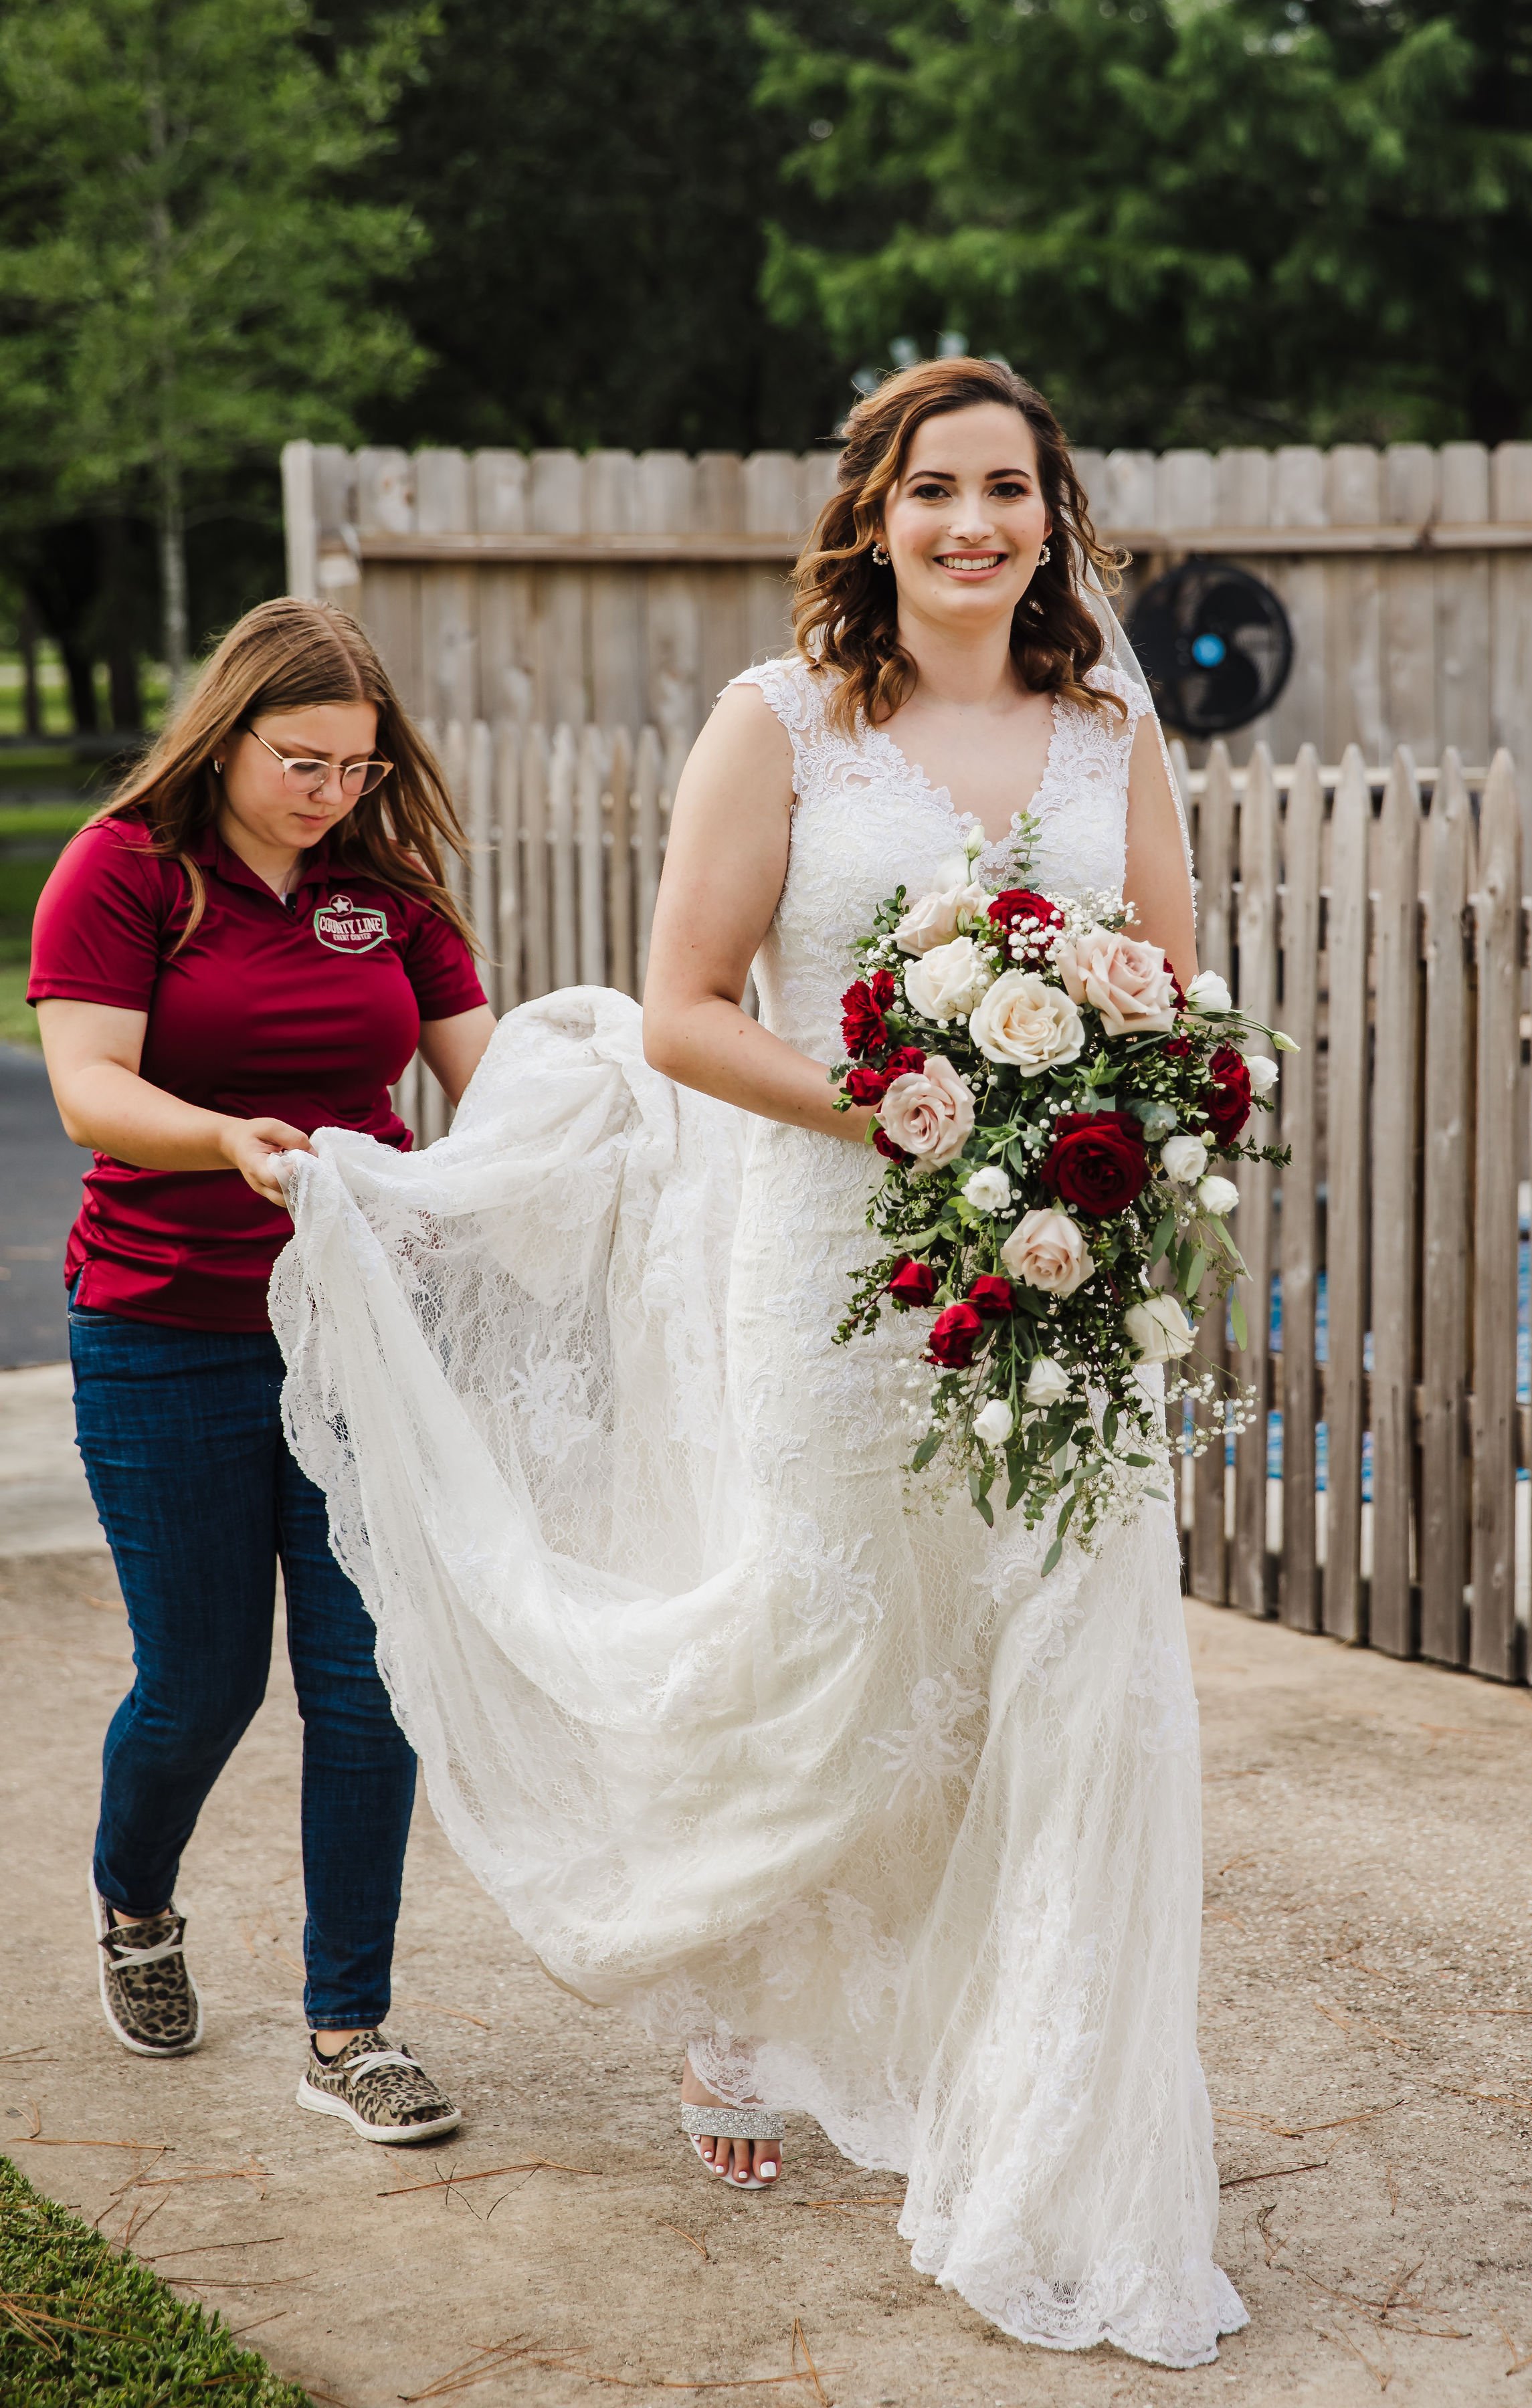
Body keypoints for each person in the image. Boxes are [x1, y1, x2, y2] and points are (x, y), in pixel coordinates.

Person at [270, 361, 1248, 2363]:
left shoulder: (1110, 726)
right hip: (826, 1262)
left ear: (1056, 517)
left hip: (1058, 1279)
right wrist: (895, 1110)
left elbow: (1173, 995)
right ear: (874, 515)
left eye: (1011, 491)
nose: (974, 525)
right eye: (934, 491)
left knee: (1066, 1691)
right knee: (837, 1659)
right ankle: (737, 2008)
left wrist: (1122, 1118)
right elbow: (687, 1009)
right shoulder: (781, 723)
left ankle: (1046, 2123)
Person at [29, 599, 496, 2146]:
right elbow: (92, 1089)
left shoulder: (390, 889)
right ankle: (134, 1904)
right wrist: (225, 1139)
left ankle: (347, 2028)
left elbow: (486, 1081)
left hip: (361, 1335)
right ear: (225, 734)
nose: (331, 793)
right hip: (167, 1327)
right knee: (204, 1682)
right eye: (303, 761)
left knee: (369, 1689)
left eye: (358, 768)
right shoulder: (127, 871)